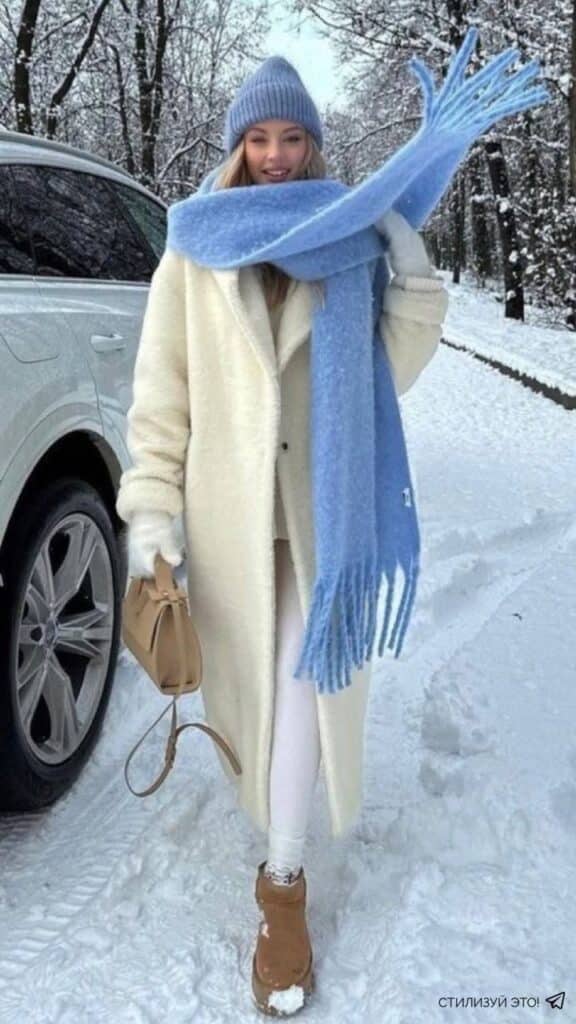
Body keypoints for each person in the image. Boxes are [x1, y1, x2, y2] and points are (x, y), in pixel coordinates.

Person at [116, 56, 448, 1017]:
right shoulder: (194, 243)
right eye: (258, 138)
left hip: (320, 512)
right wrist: (152, 514)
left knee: (307, 674)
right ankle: (272, 813)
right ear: (237, 145)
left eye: (292, 136)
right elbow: (163, 393)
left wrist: (407, 264)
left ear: (314, 143)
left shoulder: (348, 235)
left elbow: (389, 372)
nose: (275, 154)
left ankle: (284, 886)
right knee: (252, 693)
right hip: (228, 517)